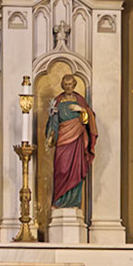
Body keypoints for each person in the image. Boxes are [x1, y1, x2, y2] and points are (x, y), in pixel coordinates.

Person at [45, 73, 97, 212]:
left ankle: (74, 201)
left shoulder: (79, 100)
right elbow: (53, 121)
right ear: (63, 86)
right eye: (66, 85)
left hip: (77, 139)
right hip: (62, 138)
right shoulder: (58, 101)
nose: (69, 87)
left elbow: (88, 119)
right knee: (61, 169)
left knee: (75, 170)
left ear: (74, 85)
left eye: (71, 85)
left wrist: (81, 110)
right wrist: (51, 135)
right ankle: (59, 200)